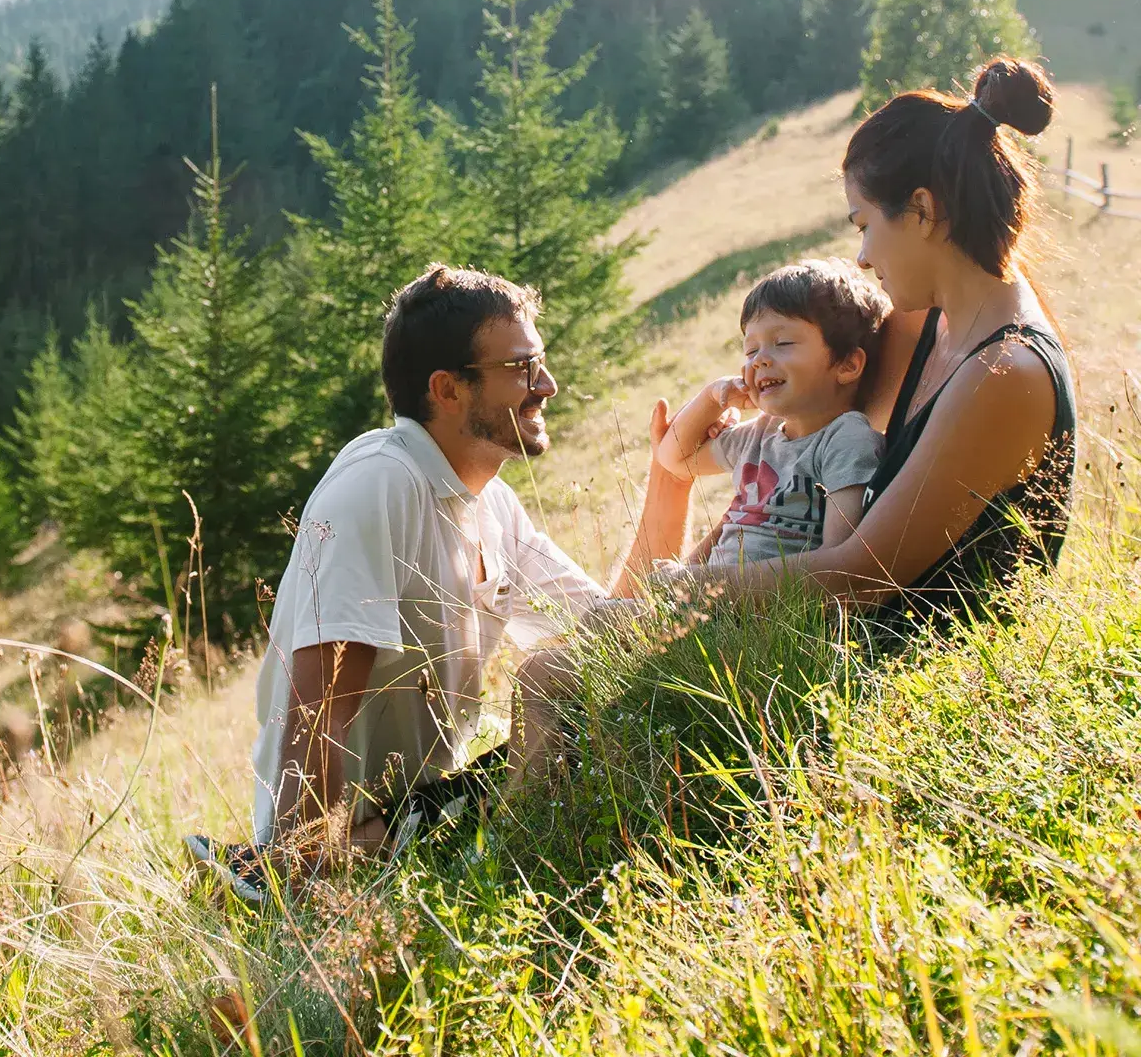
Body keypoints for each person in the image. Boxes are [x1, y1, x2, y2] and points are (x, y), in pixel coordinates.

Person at [187, 263, 674, 901]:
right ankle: (270, 874)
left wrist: (673, 474)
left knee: (598, 718)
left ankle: (341, 854)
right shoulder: (379, 483)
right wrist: (311, 870)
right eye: (522, 368)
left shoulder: (491, 505)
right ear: (447, 389)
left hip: (417, 815)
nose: (547, 385)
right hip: (338, 831)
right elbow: (320, 698)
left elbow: (612, 633)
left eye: (541, 362)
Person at [651, 57, 1077, 631]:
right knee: (558, 665)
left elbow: (862, 576)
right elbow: (796, 454)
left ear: (922, 211)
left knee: (548, 675)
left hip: (898, 669)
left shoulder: (1006, 372)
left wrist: (690, 590)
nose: (863, 256)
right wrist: (707, 564)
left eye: (864, 225)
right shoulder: (924, 324)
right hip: (815, 626)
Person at [656, 259, 890, 568]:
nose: (759, 360)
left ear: (847, 365)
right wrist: (712, 398)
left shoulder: (846, 440)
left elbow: (837, 561)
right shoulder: (759, 434)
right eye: (751, 350)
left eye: (783, 343)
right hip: (711, 598)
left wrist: (710, 584)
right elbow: (675, 459)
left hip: (767, 603)